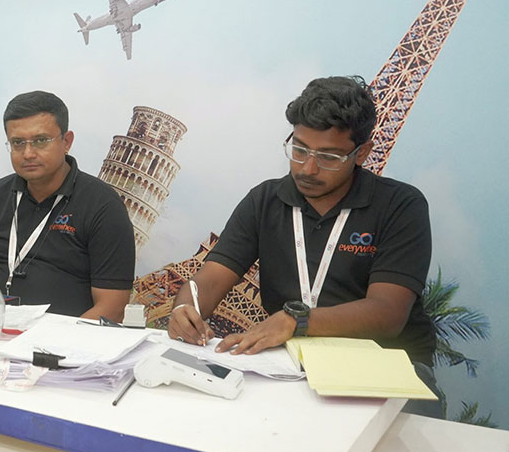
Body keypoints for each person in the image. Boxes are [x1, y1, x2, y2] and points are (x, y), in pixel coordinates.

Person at [167, 76, 441, 415]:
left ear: (362, 153)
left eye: (329, 157)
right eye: (299, 149)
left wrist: (294, 321)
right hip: (289, 366)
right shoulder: (264, 200)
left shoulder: (400, 205)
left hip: (387, 368)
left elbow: (387, 314)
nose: (308, 168)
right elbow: (210, 280)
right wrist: (185, 307)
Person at [0, 91, 136, 321]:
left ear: (67, 142)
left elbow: (112, 308)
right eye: (17, 143)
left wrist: (55, 340)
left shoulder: (103, 206)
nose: (28, 153)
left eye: (41, 140)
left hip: (69, 339)